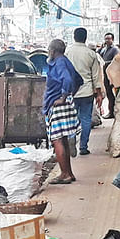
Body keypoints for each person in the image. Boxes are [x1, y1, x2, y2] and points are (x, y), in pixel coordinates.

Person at [43, 39, 82, 184]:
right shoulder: (65, 61)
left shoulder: (59, 62)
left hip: (58, 104)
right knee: (63, 138)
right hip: (64, 103)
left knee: (57, 139)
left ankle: (64, 173)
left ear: (52, 51)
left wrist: (64, 97)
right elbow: (79, 80)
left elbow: (67, 79)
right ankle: (68, 173)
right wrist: (70, 95)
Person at [65, 27, 105, 156]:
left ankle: (71, 139)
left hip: (71, 92)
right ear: (85, 37)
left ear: (74, 37)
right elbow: (96, 76)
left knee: (71, 119)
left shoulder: (67, 52)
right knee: (86, 120)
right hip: (87, 91)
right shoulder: (91, 54)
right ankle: (83, 147)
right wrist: (98, 94)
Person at [98, 32, 119, 118]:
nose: (107, 40)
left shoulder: (114, 49)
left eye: (109, 39)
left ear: (112, 40)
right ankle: (111, 111)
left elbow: (116, 60)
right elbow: (98, 55)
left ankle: (112, 111)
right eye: (106, 39)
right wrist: (101, 48)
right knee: (108, 94)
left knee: (112, 94)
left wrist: (104, 63)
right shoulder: (104, 49)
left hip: (112, 75)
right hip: (105, 74)